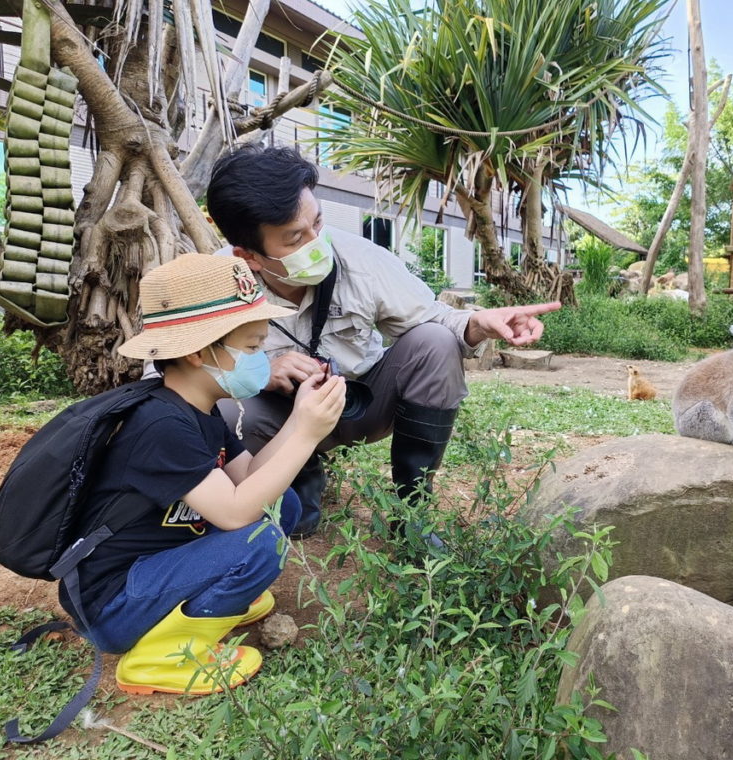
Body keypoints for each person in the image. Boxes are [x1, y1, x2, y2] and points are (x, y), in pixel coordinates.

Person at [205, 145, 560, 539]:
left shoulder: (360, 258)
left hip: (361, 406)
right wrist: (258, 371)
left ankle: (411, 510)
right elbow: (170, 374)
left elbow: (434, 318)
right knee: (223, 405)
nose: (316, 243)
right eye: (294, 239)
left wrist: (480, 322)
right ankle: (291, 488)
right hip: (277, 418)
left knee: (435, 341)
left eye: (317, 224)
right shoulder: (214, 281)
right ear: (248, 255)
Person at [81, 252, 345, 695]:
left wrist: (302, 421)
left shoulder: (202, 412)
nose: (263, 360)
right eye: (253, 348)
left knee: (286, 503)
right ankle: (160, 657)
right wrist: (306, 435)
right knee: (259, 542)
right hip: (115, 602)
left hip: (154, 570)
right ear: (202, 353)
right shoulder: (161, 425)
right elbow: (236, 513)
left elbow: (252, 480)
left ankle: (210, 600)